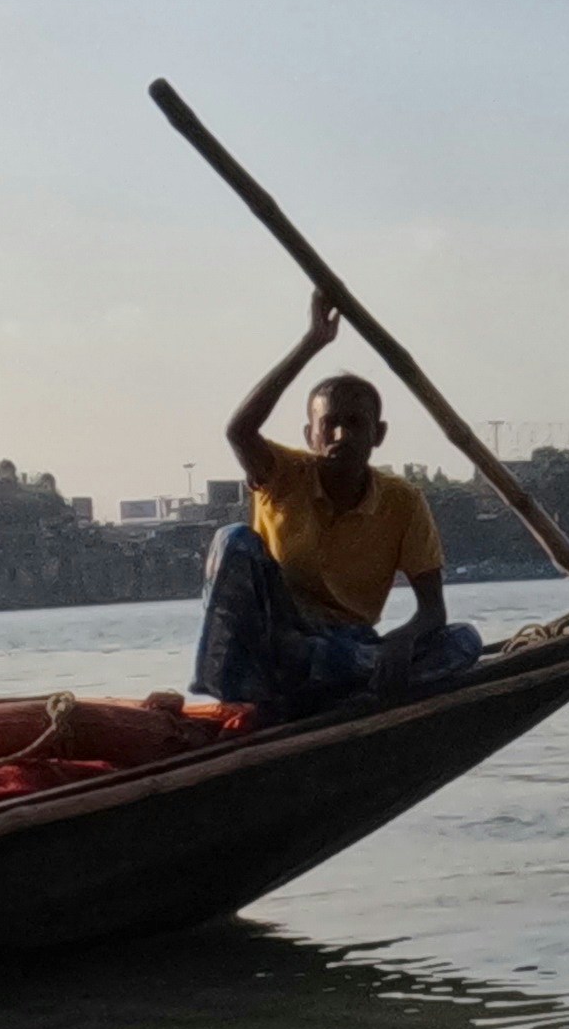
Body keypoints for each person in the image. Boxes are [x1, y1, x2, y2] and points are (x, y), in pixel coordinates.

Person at [196, 289, 477, 720]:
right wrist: (313, 341)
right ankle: (241, 690)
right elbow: (240, 431)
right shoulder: (283, 476)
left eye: (355, 424)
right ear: (311, 435)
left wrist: (403, 638)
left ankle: (347, 689)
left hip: (346, 649)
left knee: (464, 641)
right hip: (278, 641)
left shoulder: (402, 502)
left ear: (377, 435)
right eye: (330, 424)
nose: (342, 436)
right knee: (232, 539)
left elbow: (433, 610)